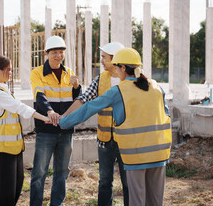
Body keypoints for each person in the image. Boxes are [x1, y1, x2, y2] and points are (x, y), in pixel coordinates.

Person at [59, 48, 172, 206]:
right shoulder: (156, 87)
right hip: (159, 154)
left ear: (123, 68)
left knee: (137, 201)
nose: (116, 72)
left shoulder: (119, 91)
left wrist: (63, 122)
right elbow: (166, 115)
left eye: (117, 68)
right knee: (155, 202)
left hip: (136, 156)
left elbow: (89, 108)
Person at [63, 41, 128, 206]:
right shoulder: (101, 79)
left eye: (104, 58)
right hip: (105, 139)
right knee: (105, 181)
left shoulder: (129, 81)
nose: (101, 61)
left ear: (115, 59)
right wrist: (64, 116)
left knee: (128, 183)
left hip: (127, 140)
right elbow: (84, 100)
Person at [0, 55, 50, 206]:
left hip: (12, 148)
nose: (11, 73)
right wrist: (45, 118)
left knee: (14, 186)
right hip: (3, 149)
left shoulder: (2, 90)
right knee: (4, 191)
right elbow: (20, 108)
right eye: (8, 70)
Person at [30, 35, 81, 206]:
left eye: (61, 52)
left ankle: (56, 204)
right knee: (39, 172)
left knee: (62, 171)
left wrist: (76, 87)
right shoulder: (37, 73)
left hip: (66, 130)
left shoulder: (69, 73)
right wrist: (49, 111)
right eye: (54, 52)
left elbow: (77, 99)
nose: (58, 55)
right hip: (46, 130)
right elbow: (39, 96)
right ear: (46, 53)